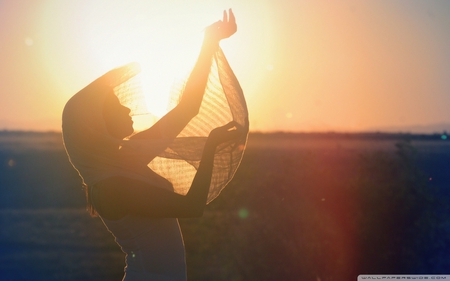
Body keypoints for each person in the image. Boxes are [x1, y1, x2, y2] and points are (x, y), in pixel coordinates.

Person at [62, 9, 248, 281]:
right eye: (115, 107)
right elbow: (191, 207)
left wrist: (209, 43)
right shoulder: (112, 186)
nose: (127, 108)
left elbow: (188, 108)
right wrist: (210, 147)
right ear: (97, 125)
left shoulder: (126, 157)